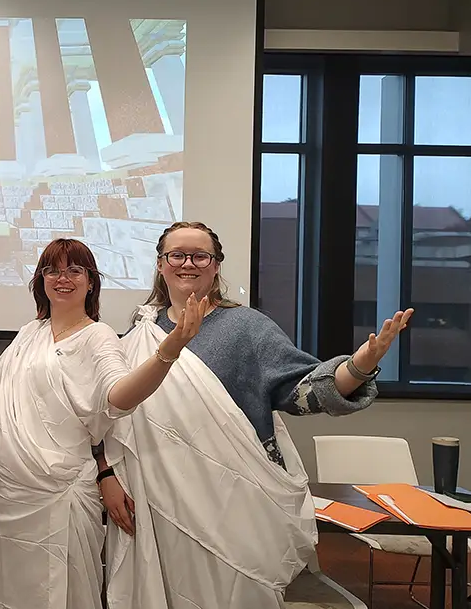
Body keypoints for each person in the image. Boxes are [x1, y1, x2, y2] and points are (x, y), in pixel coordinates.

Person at [97, 221, 414, 609]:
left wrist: (361, 364)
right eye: (176, 255)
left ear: (216, 265)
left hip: (234, 499)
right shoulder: (140, 330)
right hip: (156, 495)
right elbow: (113, 413)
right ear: (161, 264)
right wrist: (106, 473)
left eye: (200, 255)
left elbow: (302, 392)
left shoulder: (246, 327)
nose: (188, 264)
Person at [0, 238, 208, 609]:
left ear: (91, 281)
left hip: (59, 491)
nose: (62, 278)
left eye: (74, 270)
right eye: (52, 270)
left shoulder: (98, 336)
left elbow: (118, 397)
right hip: (5, 491)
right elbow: (4, 391)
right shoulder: (29, 334)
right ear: (40, 280)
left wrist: (171, 349)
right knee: (3, 589)